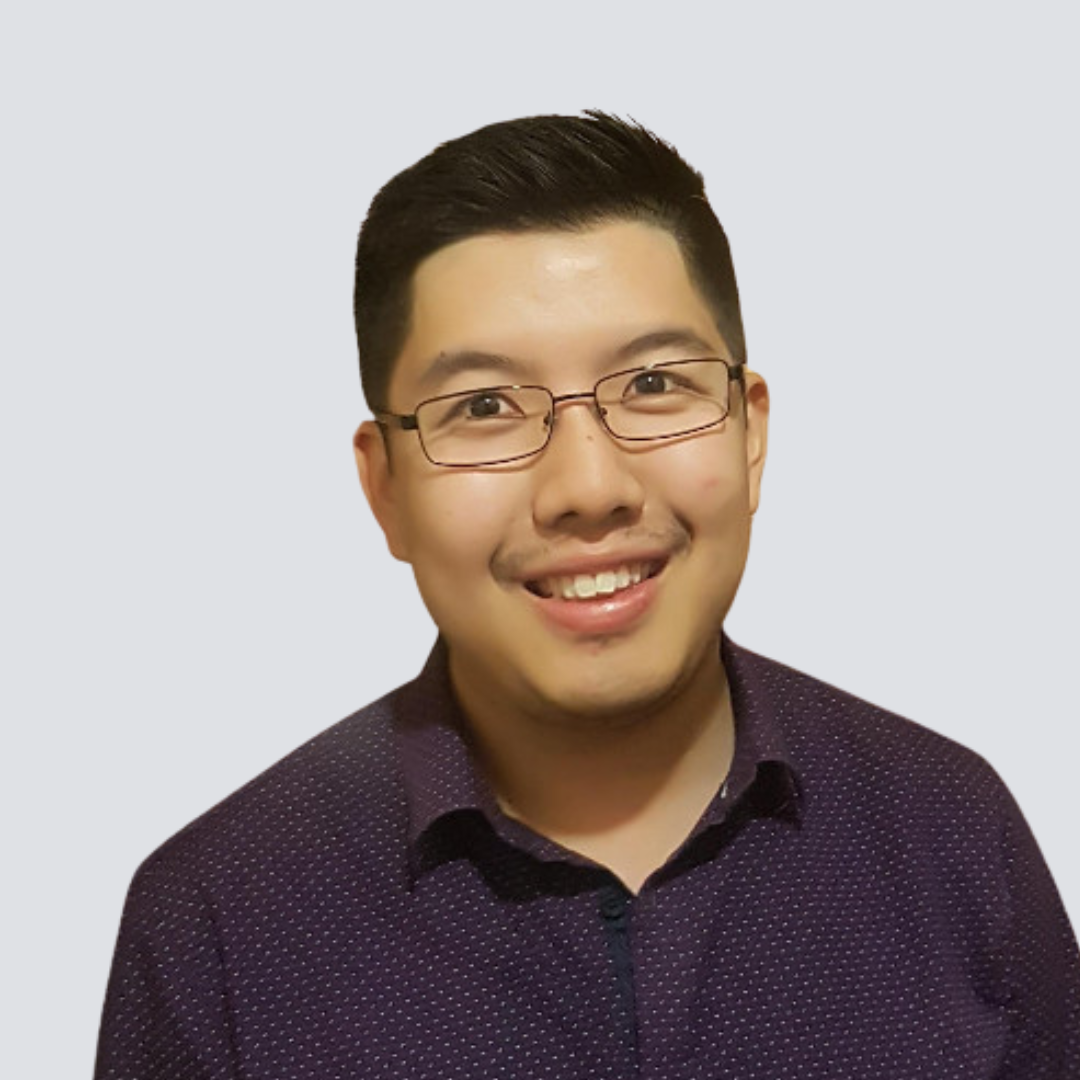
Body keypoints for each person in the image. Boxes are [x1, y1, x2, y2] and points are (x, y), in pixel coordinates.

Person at [94, 112, 1080, 1079]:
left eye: (654, 383)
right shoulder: (219, 922)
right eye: (482, 406)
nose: (589, 489)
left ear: (748, 434)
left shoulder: (953, 835)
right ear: (384, 486)